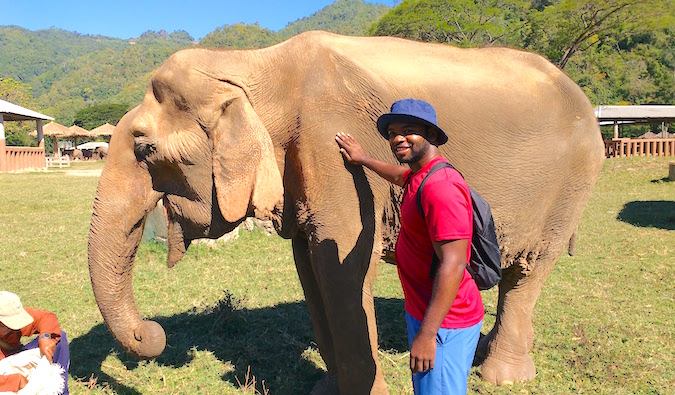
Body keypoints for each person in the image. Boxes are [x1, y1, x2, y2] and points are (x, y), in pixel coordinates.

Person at [335, 98, 484, 395]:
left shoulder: (441, 187)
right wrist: (363, 159)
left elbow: (453, 264)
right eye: (392, 133)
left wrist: (428, 335)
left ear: (430, 134)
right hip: (425, 311)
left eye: (409, 130)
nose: (398, 138)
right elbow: (400, 175)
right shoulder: (421, 174)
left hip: (445, 323)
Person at [0, 291, 70, 394]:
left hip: (16, 359)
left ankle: (60, 391)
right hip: (5, 378)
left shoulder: (12, 314)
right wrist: (16, 381)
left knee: (58, 337)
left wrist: (45, 337)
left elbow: (45, 317)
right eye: (10, 327)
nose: (17, 329)